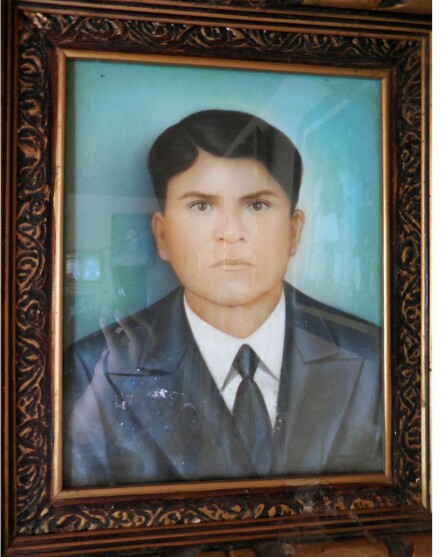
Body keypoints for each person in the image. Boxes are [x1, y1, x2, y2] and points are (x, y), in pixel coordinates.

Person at [63, 110, 384, 486]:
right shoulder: (93, 367)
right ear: (162, 235)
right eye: (201, 206)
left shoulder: (371, 356)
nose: (231, 233)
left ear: (294, 231)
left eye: (257, 205)